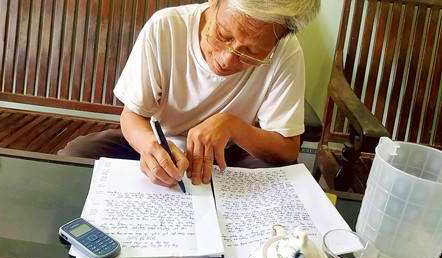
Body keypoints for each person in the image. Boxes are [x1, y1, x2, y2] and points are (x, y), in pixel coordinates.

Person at [58, 0, 321, 189]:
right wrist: (150, 147)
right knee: (77, 155)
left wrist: (233, 126)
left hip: (229, 154)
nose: (227, 60)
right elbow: (132, 116)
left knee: (280, 177)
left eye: (251, 52)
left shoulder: (286, 53)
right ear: (214, 3)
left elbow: (287, 149)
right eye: (223, 35)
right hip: (162, 141)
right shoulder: (167, 28)